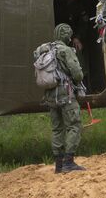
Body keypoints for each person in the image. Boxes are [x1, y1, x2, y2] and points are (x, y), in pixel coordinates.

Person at [34, 23, 86, 173]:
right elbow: (77, 74)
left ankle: (58, 164)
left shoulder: (45, 49)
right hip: (65, 94)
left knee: (57, 129)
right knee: (74, 125)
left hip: (50, 96)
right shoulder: (66, 50)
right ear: (66, 36)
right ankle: (69, 162)